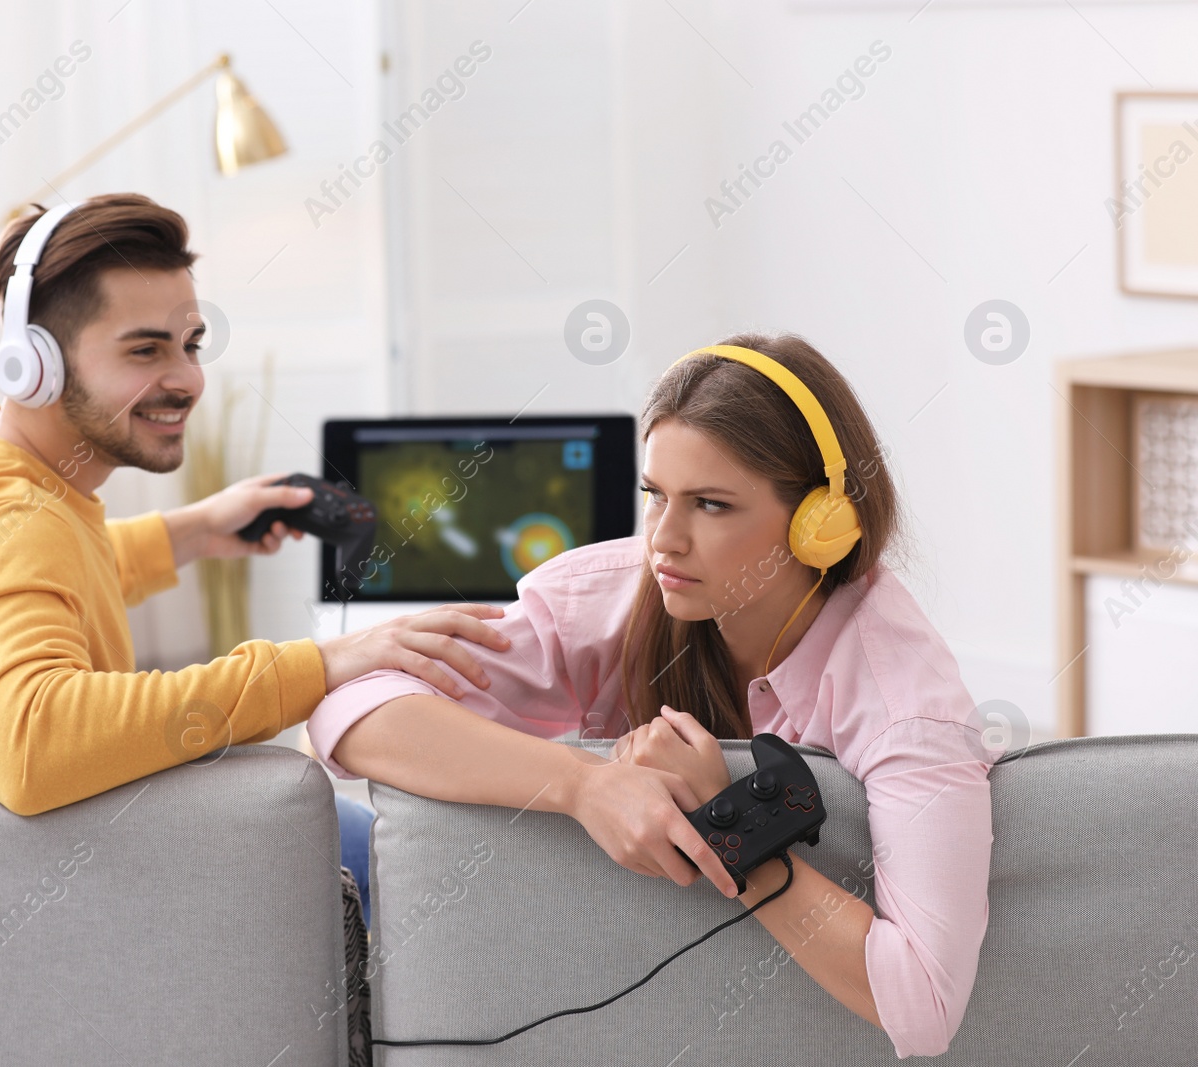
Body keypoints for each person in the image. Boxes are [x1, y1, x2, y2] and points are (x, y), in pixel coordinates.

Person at [0, 193, 513, 922]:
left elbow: (35, 582)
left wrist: (195, 530)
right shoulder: (12, 519)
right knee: (395, 856)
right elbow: (29, 742)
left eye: (191, 344)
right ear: (36, 366)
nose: (186, 379)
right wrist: (320, 665)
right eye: (145, 350)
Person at [307, 333, 996, 1059]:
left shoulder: (908, 707)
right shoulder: (616, 593)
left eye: (710, 504)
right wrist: (584, 783)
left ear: (819, 524)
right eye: (655, 495)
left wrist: (736, 833)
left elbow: (924, 1005)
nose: (663, 539)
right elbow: (347, 706)